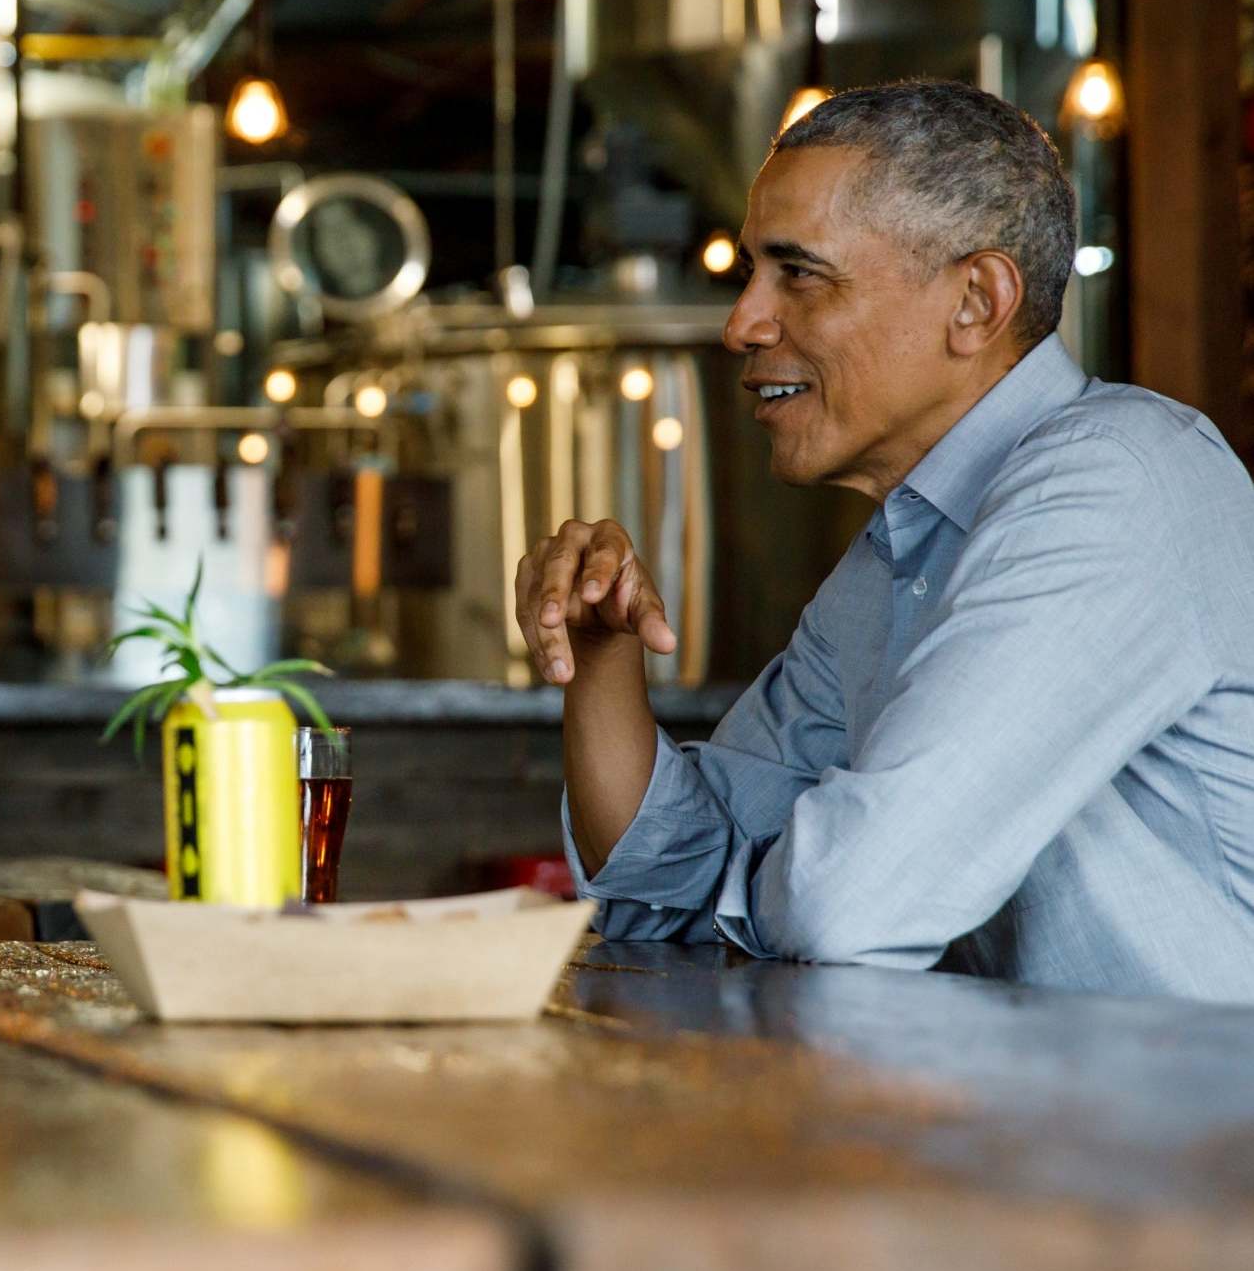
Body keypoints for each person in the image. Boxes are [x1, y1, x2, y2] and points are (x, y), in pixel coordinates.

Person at [516, 78, 1254, 1003]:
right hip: (1027, 1132)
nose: (742, 322)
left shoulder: (1121, 479)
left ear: (976, 302)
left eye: (800, 273)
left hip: (1199, 1138)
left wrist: (763, 884)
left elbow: (848, 906)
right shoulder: (900, 550)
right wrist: (600, 653)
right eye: (750, 274)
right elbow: (665, 892)